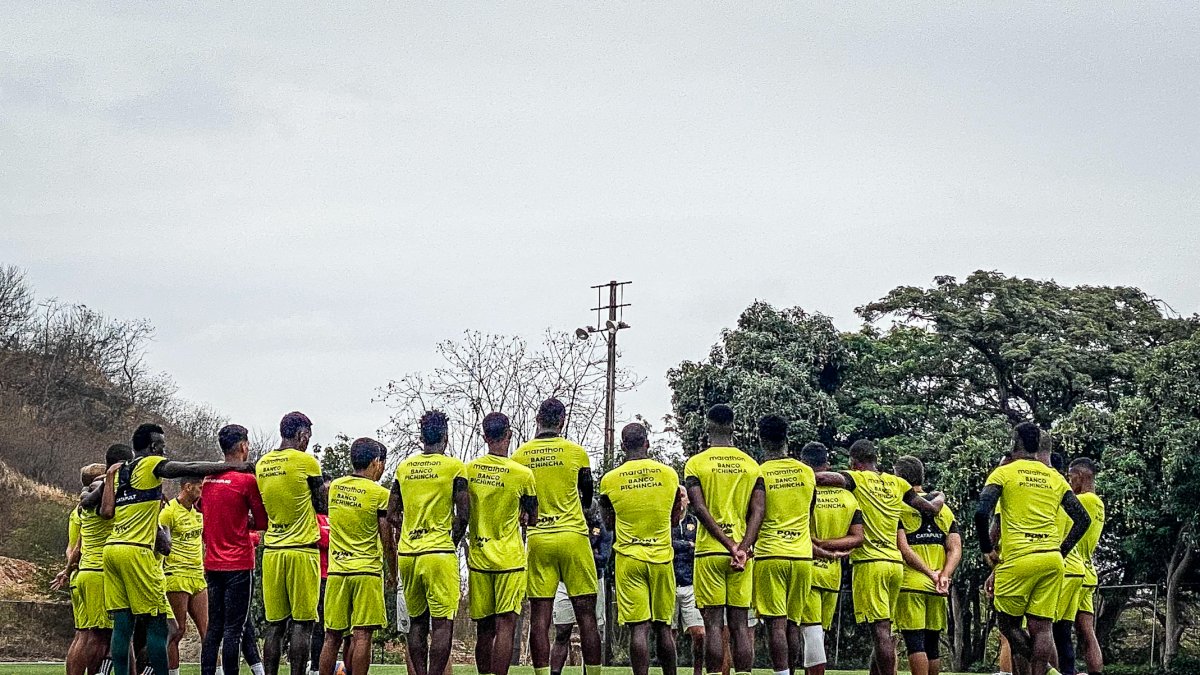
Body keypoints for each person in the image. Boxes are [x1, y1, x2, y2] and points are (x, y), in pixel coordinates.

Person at [94, 423, 252, 675]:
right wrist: (234, 466)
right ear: (153, 446)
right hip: (137, 551)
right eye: (162, 445)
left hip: (112, 550)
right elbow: (186, 468)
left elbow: (97, 507)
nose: (164, 450)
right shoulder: (150, 464)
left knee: (122, 626)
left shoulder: (121, 470)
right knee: (161, 626)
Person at [813, 439, 946, 675]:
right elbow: (931, 508)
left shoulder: (858, 478)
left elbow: (823, 478)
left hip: (870, 563)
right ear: (876, 460)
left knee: (880, 632)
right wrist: (940, 496)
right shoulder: (898, 483)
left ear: (854, 463)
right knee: (884, 630)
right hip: (895, 565)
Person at [975, 423, 1091, 675]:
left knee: (1007, 624)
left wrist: (987, 549)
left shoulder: (1003, 473)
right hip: (1051, 560)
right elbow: (1082, 519)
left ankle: (1050, 672)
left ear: (1014, 442)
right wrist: (1061, 551)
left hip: (1018, 559)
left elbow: (982, 512)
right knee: (1043, 628)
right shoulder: (1055, 478)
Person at [512, 398, 602, 675]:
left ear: (537, 419)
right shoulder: (576, 453)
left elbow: (520, 503)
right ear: (562, 421)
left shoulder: (520, 456)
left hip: (539, 539)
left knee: (540, 616)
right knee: (586, 615)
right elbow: (588, 497)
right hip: (573, 536)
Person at [683, 404, 764, 675]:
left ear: (708, 426)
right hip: (743, 554)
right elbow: (759, 510)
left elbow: (698, 508)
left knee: (714, 623)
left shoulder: (696, 463)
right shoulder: (752, 465)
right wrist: (742, 547)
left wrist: (727, 545)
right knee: (740, 624)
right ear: (733, 426)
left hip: (709, 551)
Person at [599, 423, 684, 675]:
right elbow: (675, 517)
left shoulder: (610, 480)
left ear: (623, 446)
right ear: (647, 443)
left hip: (629, 557)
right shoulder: (669, 475)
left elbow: (607, 522)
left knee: (639, 628)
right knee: (663, 627)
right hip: (661, 557)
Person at [754, 416, 836, 675]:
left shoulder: (759, 472)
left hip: (770, 553)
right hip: (801, 556)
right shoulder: (806, 472)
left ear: (761, 440)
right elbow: (809, 509)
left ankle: (782, 674)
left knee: (775, 624)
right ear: (787, 439)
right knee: (793, 623)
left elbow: (755, 512)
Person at [388, 410, 469, 675]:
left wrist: (408, 531)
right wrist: (451, 541)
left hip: (409, 553)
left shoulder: (404, 468)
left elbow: (391, 514)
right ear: (445, 437)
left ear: (421, 436)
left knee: (417, 624)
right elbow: (464, 514)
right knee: (442, 624)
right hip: (438, 552)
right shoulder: (454, 467)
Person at [465, 412, 538, 675]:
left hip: (479, 558)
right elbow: (534, 518)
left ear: (484, 436)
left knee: (484, 628)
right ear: (509, 434)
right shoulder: (523, 474)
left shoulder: (469, 470)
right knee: (505, 626)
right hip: (510, 559)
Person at [318, 437, 396, 675]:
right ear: (375, 462)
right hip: (366, 571)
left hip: (337, 571)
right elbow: (387, 540)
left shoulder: (334, 488)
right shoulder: (379, 494)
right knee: (362, 635)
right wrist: (393, 573)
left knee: (332, 637)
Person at [256, 412, 325, 675]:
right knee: (302, 623)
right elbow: (321, 505)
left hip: (273, 550)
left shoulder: (263, 464)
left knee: (274, 625)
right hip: (302, 550)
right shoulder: (306, 462)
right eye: (307, 437)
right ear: (301, 435)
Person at [200, 424, 269, 675]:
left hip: (212, 563)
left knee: (214, 628)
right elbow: (262, 521)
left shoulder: (208, 478)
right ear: (242, 446)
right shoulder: (246, 480)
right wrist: (245, 520)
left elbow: (202, 508)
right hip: (238, 562)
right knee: (234, 629)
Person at [55, 456, 125, 675]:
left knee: (82, 634)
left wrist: (68, 570)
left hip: (79, 572)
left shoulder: (77, 511)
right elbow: (78, 546)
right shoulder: (99, 509)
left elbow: (73, 547)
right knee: (99, 635)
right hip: (96, 572)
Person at [798, 442, 864, 675]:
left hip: (807, 568)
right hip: (832, 573)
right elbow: (857, 538)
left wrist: (818, 545)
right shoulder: (848, 497)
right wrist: (832, 550)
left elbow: (799, 533)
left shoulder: (803, 492)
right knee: (819, 633)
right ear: (827, 464)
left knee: (811, 632)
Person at [894, 455, 961, 675]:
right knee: (932, 644)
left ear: (899, 477)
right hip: (938, 587)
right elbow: (955, 549)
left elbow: (905, 549)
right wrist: (944, 575)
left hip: (911, 583)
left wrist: (929, 573)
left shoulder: (899, 507)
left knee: (915, 642)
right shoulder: (946, 510)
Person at [550, 507, 610, 675]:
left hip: (593, 581)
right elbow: (560, 552)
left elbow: (603, 558)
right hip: (564, 582)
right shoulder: (566, 522)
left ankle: (589, 672)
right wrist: (590, 551)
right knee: (562, 631)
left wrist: (579, 553)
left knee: (592, 630)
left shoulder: (602, 526)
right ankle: (554, 672)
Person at [161, 475, 208, 675]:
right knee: (178, 630)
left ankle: (215, 670)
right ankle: (173, 672)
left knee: (209, 632)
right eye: (199, 487)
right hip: (176, 575)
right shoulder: (168, 512)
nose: (202, 491)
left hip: (198, 576)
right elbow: (161, 545)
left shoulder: (198, 513)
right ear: (187, 487)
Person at [1067, 458, 1105, 675]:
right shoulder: (1099, 503)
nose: (1069, 483)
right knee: (1087, 631)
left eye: (1071, 478)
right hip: (1089, 571)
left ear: (1080, 476)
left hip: (1072, 568)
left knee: (1056, 629)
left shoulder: (1083, 501)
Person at [671, 504, 705, 675]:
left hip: (691, 583)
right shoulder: (666, 522)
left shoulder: (696, 523)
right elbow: (666, 544)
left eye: (683, 495)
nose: (680, 499)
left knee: (699, 633)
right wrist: (688, 545)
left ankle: (697, 672)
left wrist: (687, 545)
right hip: (669, 583)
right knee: (669, 633)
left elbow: (701, 545)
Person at [311, 474, 333, 675]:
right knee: (318, 625)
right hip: (319, 576)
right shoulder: (314, 518)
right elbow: (323, 540)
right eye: (326, 491)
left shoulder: (335, 516)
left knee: (333, 627)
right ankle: (315, 666)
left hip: (336, 576)